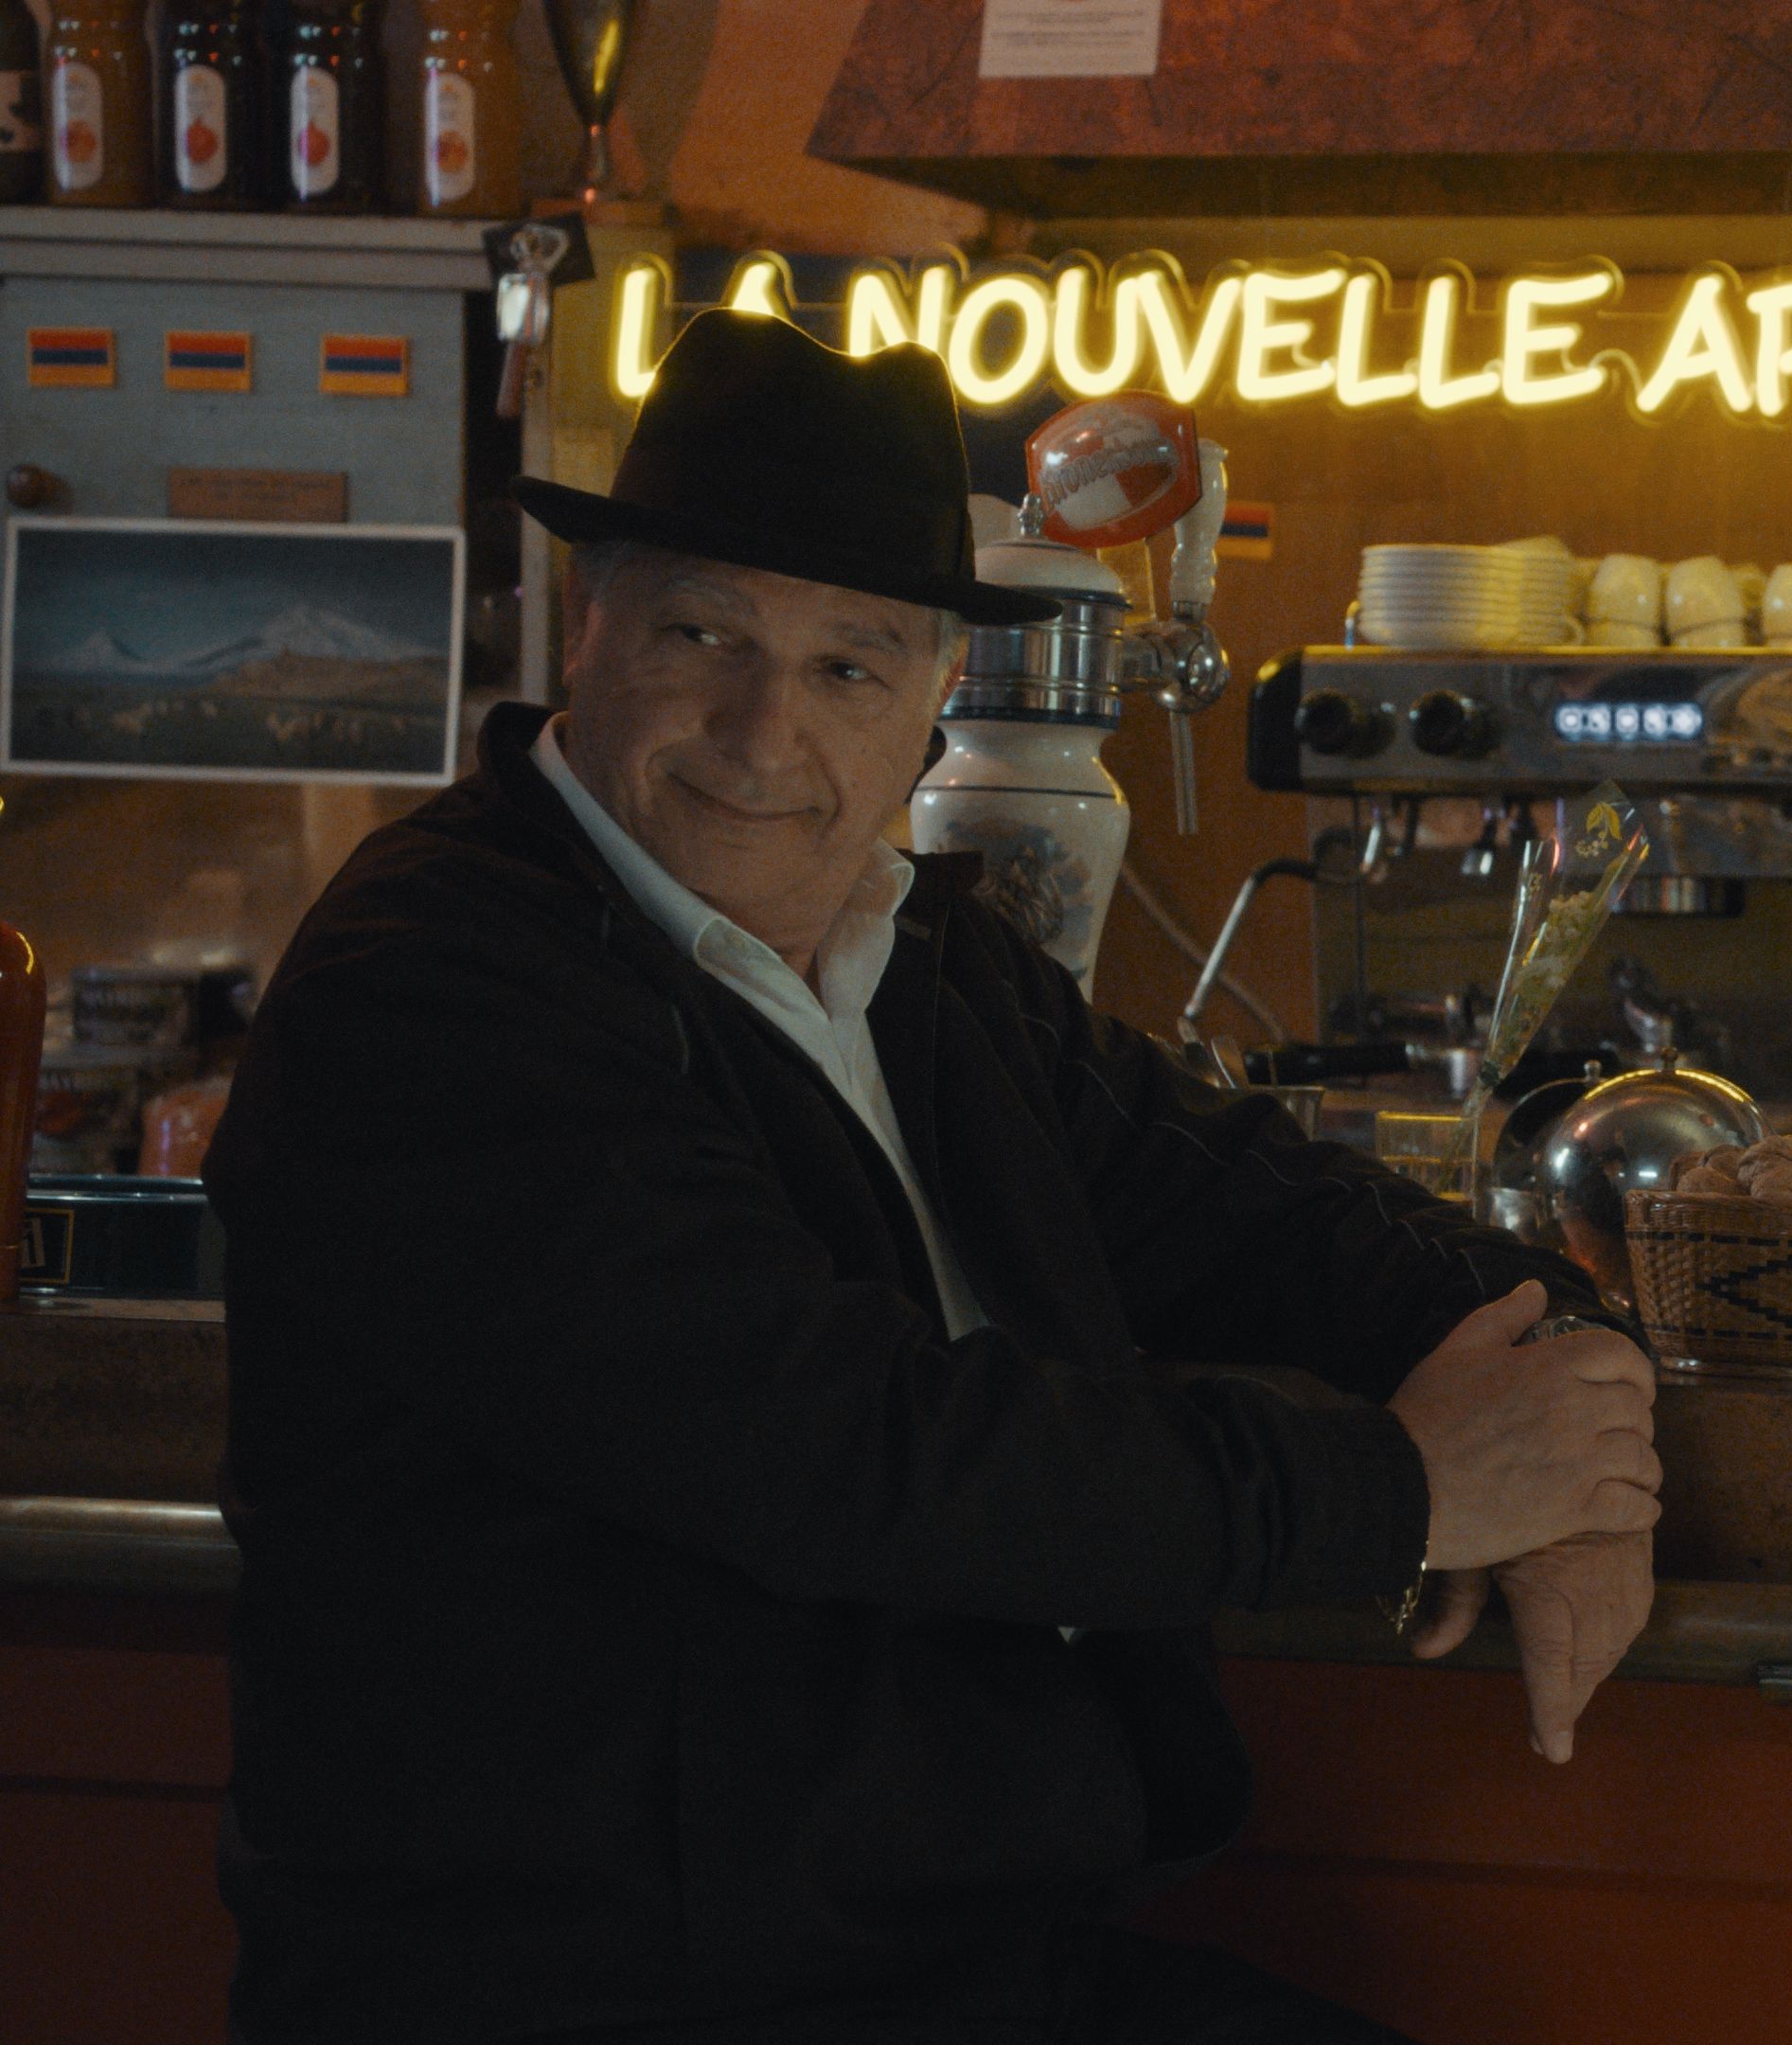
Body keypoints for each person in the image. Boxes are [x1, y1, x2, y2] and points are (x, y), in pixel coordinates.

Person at [204, 311, 1660, 2041]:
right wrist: (1409, 1493)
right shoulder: (437, 988)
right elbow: (854, 1452)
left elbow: (1259, 1206)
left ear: (930, 702)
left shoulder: (923, 962)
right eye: (701, 634)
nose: (763, 733)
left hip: (935, 1970)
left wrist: (1570, 1399)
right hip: (568, 1988)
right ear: (585, 622)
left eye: (850, 666)